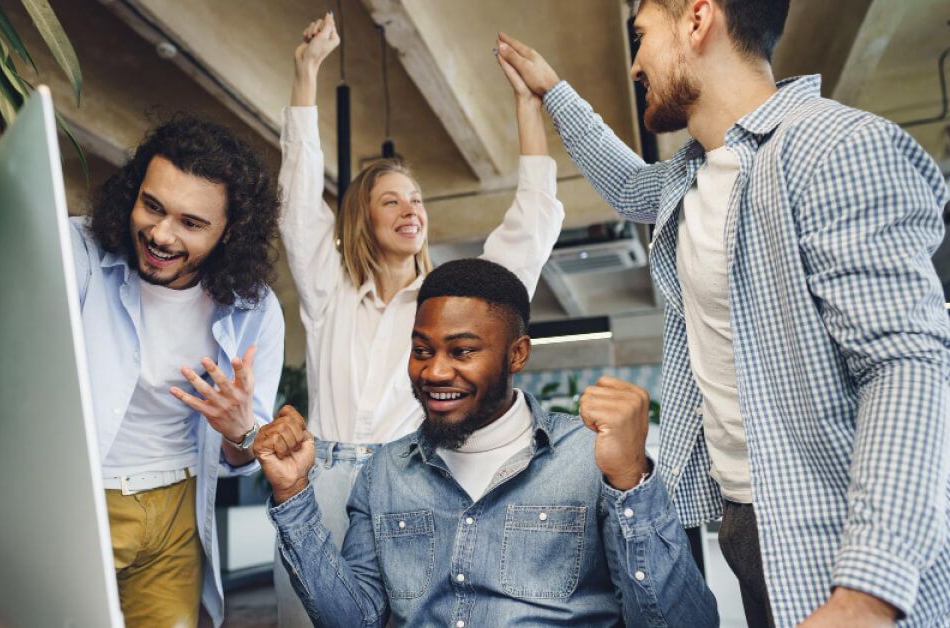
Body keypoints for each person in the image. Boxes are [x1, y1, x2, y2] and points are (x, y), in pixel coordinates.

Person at [496, 0, 950, 625]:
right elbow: (629, 184)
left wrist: (868, 593)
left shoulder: (833, 146)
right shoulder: (694, 175)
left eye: (641, 34)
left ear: (697, 18)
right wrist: (553, 94)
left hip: (840, 530)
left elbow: (907, 367)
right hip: (746, 520)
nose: (634, 63)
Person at [276, 13, 565, 624]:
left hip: (410, 482)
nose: (411, 209)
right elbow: (298, 200)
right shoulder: (330, 292)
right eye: (392, 200)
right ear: (362, 218)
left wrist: (527, 108)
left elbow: (532, 224)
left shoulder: (448, 302)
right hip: (321, 481)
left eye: (417, 200)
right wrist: (305, 74)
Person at [255, 258, 719, 627]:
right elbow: (353, 620)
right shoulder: (385, 472)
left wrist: (630, 481)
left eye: (462, 351)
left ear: (517, 354)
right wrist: (293, 496)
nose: (434, 371)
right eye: (422, 350)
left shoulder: (589, 457)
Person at [69, 115, 285, 627]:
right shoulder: (73, 253)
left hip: (177, 511)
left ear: (230, 231)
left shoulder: (254, 309)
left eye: (191, 223)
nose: (161, 235)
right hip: (78, 499)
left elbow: (245, 452)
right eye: (153, 206)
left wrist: (240, 430)